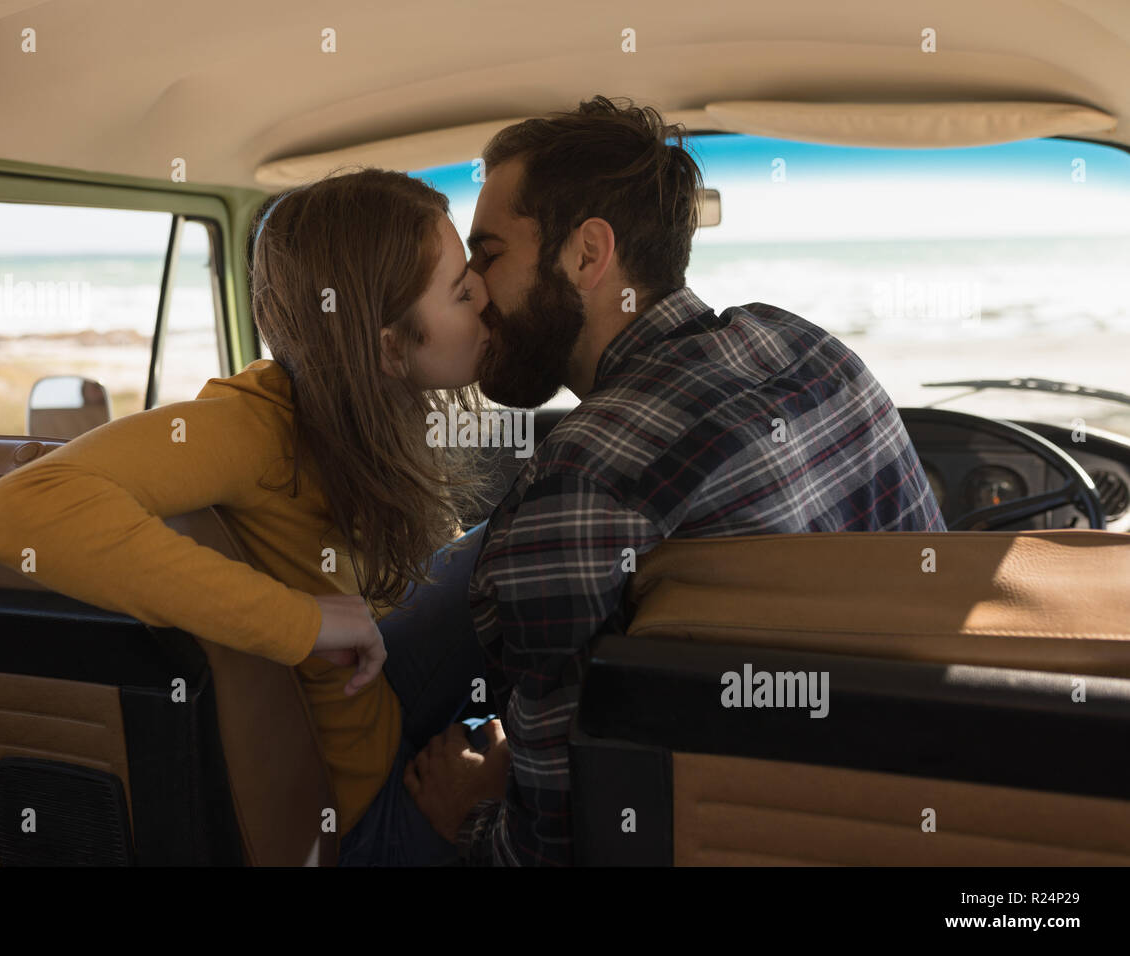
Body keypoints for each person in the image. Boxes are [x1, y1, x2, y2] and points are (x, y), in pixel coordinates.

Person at [402, 95, 948, 865]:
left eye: (488, 255)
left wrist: (470, 811)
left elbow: (550, 852)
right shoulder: (816, 353)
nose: (476, 291)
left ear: (588, 255)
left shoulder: (578, 480)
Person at [0, 168, 504, 865]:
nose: (486, 296)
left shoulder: (364, 413)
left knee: (520, 543)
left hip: (381, 704)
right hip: (361, 822)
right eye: (463, 290)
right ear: (387, 346)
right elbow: (16, 511)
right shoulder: (255, 425)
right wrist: (303, 621)